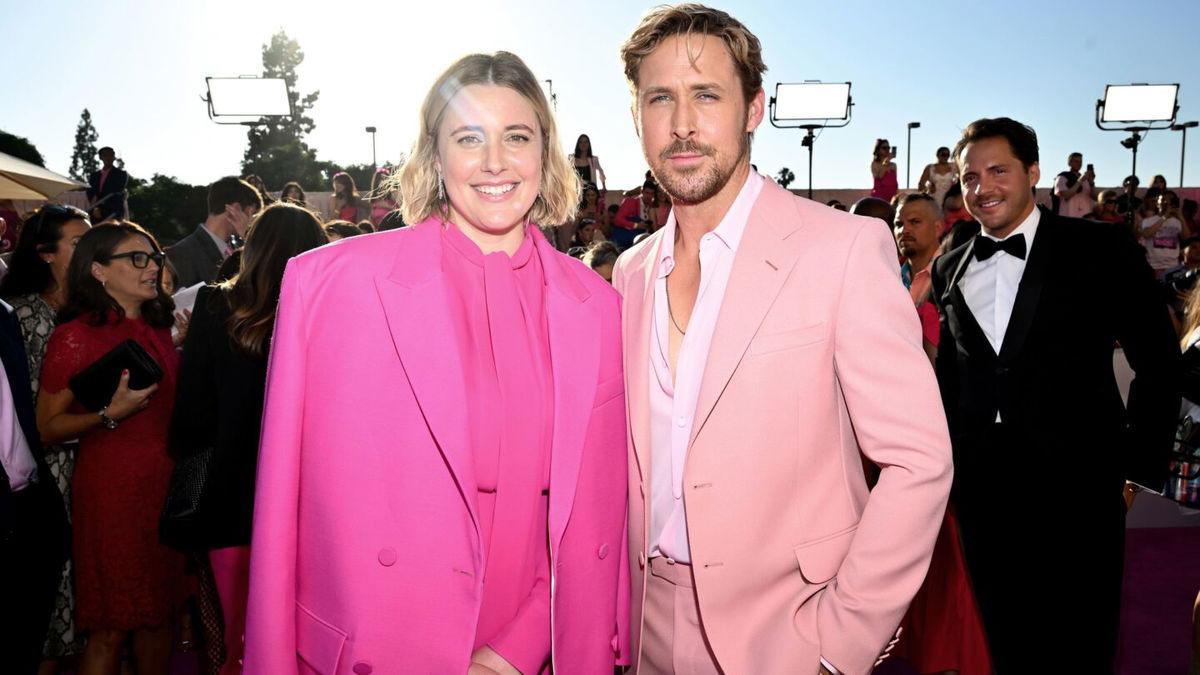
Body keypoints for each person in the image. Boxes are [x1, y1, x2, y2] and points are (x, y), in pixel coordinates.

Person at [243, 51, 629, 675]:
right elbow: (280, 504)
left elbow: (597, 513)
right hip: (380, 638)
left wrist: (513, 653)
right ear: (434, 154)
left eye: (517, 137)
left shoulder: (600, 309)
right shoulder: (330, 284)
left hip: (537, 642)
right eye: (469, 138)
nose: (496, 162)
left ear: (545, 153)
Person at [614, 6, 952, 674]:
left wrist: (839, 642)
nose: (683, 124)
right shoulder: (628, 273)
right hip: (643, 626)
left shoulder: (843, 248)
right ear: (637, 117)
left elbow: (920, 461)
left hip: (788, 635)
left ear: (752, 109)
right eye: (661, 98)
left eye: (706, 94)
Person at [930, 117, 1180, 672]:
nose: (982, 187)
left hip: (1080, 486)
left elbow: (1159, 361)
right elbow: (952, 381)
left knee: (1080, 641)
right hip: (984, 494)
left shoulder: (1100, 246)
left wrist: (1137, 468)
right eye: (970, 176)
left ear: (1034, 173)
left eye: (998, 171)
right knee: (1004, 637)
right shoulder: (951, 265)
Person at [170, 203, 326, 675]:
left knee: (242, 634)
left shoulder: (215, 305)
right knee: (313, 631)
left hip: (231, 494)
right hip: (314, 494)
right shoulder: (330, 306)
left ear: (252, 248)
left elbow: (192, 416)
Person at [37, 222, 184, 675]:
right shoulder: (76, 336)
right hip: (113, 493)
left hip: (166, 488)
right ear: (98, 270)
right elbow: (47, 427)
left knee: (160, 617)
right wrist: (108, 415)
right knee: (111, 626)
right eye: (136, 258)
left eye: (155, 257)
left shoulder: (161, 328)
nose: (151, 267)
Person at [0, 204, 91, 667]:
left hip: (94, 466)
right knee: (45, 606)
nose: (89, 248)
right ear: (46, 253)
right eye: (78, 241)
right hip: (44, 472)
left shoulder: (97, 310)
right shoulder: (17, 315)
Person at [168, 177, 262, 288]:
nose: (254, 222)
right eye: (253, 215)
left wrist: (249, 238)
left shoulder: (243, 246)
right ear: (235, 209)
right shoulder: (181, 253)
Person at [1138, 190, 1189, 277]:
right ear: (1157, 203)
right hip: (1152, 265)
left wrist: (1181, 217)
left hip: (1172, 266)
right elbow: (1147, 235)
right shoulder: (1148, 221)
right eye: (1164, 200)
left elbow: (1187, 238)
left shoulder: (1178, 222)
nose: (1167, 202)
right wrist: (1165, 217)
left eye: (1169, 200)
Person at [86, 147, 128, 222]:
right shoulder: (94, 176)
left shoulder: (121, 174)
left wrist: (99, 204)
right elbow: (91, 192)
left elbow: (116, 190)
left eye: (110, 155)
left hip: (113, 210)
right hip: (96, 211)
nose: (108, 158)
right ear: (100, 157)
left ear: (114, 157)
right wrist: (95, 208)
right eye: (105, 155)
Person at [613, 180, 658, 248]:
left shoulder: (653, 206)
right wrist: (636, 225)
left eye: (651, 194)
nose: (648, 196)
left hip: (641, 243)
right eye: (647, 193)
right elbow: (617, 220)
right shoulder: (631, 201)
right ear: (641, 192)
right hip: (625, 243)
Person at [1051, 151, 1095, 218]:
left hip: (1085, 218)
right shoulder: (1062, 177)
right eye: (1076, 161)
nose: (1079, 164)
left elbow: (1094, 197)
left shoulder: (1086, 180)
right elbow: (1066, 195)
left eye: (1080, 162)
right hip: (1068, 217)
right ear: (1069, 163)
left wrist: (1091, 182)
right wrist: (1080, 181)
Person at [870, 138, 899, 202]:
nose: (887, 150)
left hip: (892, 197)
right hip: (879, 197)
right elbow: (880, 176)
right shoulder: (875, 164)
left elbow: (895, 183)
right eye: (884, 148)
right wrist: (887, 161)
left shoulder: (893, 165)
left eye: (888, 148)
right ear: (878, 150)